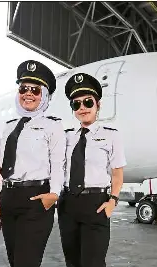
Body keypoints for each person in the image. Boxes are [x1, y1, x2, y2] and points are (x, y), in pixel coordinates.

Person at [0, 60, 66, 267]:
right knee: (14, 260)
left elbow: (58, 163)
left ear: (44, 96)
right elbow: (3, 166)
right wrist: (0, 198)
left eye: (35, 90)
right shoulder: (8, 127)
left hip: (36, 198)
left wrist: (53, 194)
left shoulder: (52, 126)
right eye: (23, 88)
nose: (28, 94)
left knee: (26, 262)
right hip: (9, 198)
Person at [58, 73, 126, 267]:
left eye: (88, 102)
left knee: (93, 262)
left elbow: (117, 173)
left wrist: (112, 201)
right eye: (76, 104)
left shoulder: (111, 136)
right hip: (68, 204)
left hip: (96, 204)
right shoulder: (66, 137)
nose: (82, 108)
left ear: (98, 105)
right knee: (72, 262)